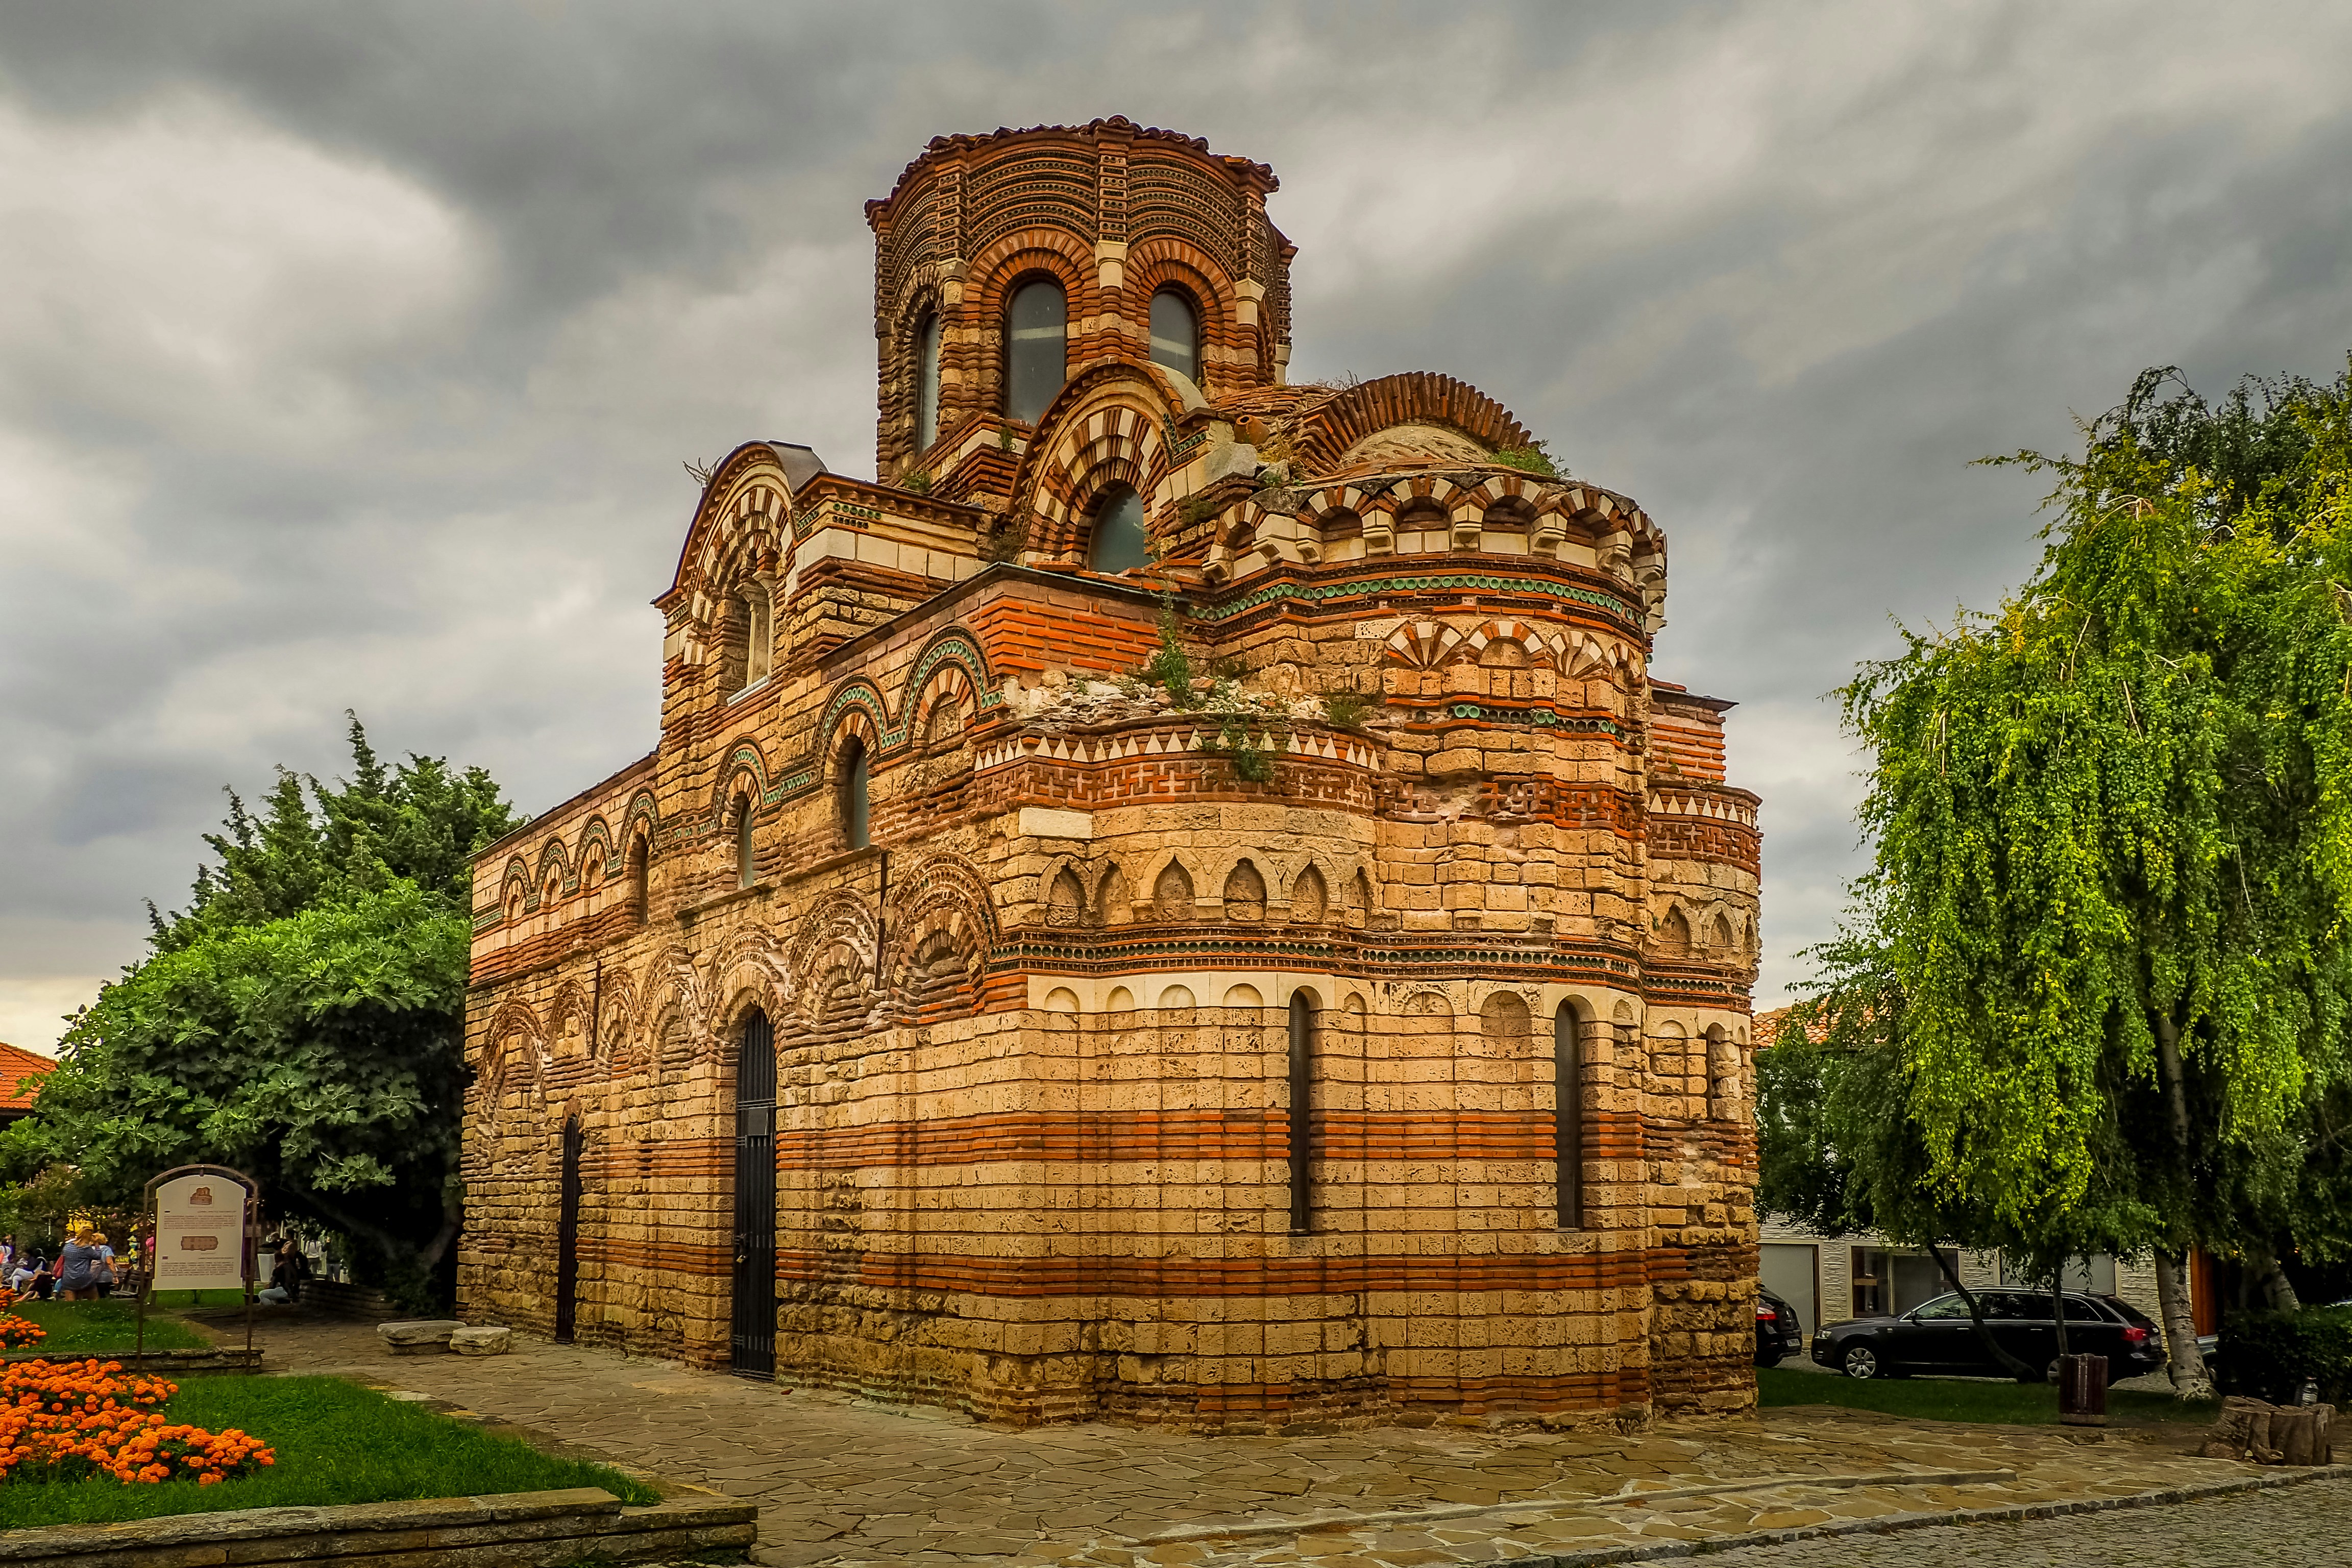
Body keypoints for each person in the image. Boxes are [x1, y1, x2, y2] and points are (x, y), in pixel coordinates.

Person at [56, 1230, 99, 1302]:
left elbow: (63, 1256)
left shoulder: (67, 1247)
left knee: (71, 1303)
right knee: (94, 1299)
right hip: (83, 1278)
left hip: (68, 1278)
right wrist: (97, 1247)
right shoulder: (86, 1248)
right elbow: (98, 1256)